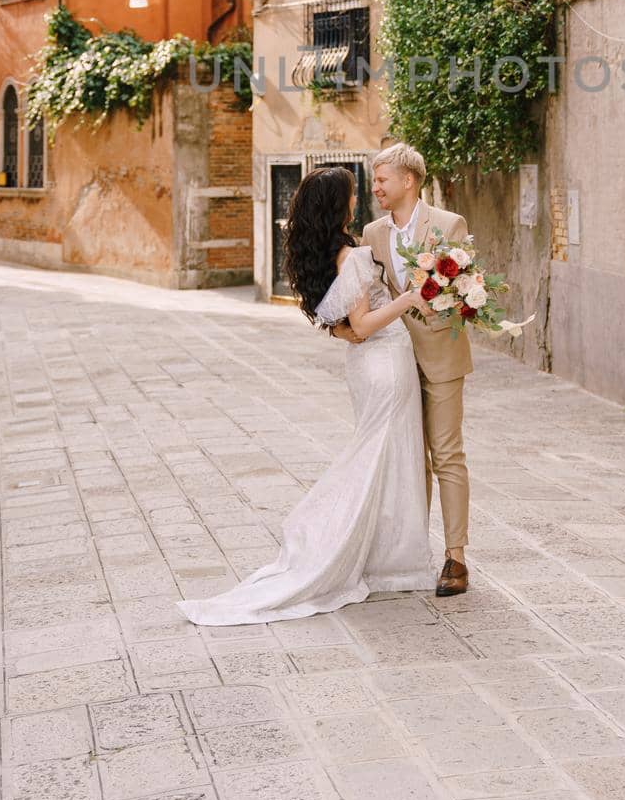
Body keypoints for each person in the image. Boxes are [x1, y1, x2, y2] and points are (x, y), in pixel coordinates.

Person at [175, 165, 436, 626]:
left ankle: (390, 558)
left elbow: (339, 326)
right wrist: (410, 298)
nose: (359, 199)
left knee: (384, 453)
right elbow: (362, 324)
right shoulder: (351, 256)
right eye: (354, 194)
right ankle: (358, 549)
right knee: (381, 455)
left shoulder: (324, 251)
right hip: (384, 361)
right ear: (340, 204)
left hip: (364, 367)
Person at [360, 142, 472, 599]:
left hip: (442, 357)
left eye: (383, 179)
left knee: (446, 455)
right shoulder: (371, 233)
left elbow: (464, 290)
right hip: (396, 360)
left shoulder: (448, 225)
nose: (376, 188)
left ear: (408, 180)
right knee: (408, 458)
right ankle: (409, 553)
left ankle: (456, 557)